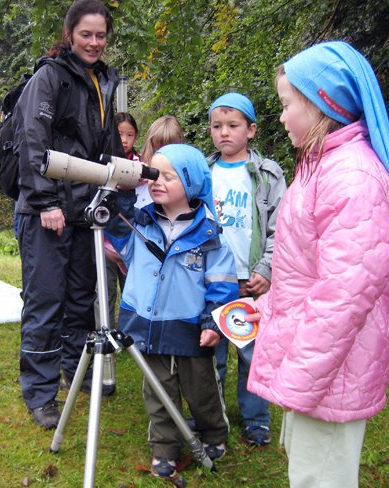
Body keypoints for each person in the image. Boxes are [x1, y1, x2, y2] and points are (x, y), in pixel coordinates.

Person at [247, 41, 389, 487]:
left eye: (286, 105)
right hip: (318, 362)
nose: (280, 117)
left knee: (321, 478)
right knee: (309, 469)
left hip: (328, 371)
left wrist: (299, 379)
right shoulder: (321, 166)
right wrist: (268, 308)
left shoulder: (352, 178)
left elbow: (344, 297)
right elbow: (305, 268)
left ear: (322, 103)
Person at [12, 0, 125, 429]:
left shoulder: (103, 80)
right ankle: (40, 394)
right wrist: (46, 202)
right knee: (45, 302)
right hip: (49, 209)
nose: (94, 42)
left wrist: (110, 195)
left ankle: (73, 372)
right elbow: (32, 140)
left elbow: (106, 144)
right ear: (70, 34)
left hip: (85, 209)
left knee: (82, 301)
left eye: (100, 35)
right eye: (86, 34)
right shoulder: (51, 77)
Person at [105, 144, 238, 480]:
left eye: (167, 176)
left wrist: (213, 320)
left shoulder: (209, 233)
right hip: (148, 325)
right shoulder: (141, 221)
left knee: (201, 388)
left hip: (192, 327)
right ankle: (165, 446)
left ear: (191, 183)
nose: (156, 182)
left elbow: (222, 282)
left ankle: (213, 434)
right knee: (157, 389)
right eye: (153, 174)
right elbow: (111, 222)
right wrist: (122, 184)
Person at [207, 92, 286, 446]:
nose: (224, 133)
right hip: (213, 280)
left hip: (250, 281)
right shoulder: (203, 172)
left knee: (253, 353)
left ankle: (256, 418)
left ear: (251, 130)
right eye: (217, 126)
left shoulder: (267, 174)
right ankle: (210, 414)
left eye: (233, 126)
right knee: (213, 350)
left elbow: (280, 228)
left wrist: (267, 268)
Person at [96, 112, 141, 331]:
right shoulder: (100, 160)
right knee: (105, 289)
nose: (124, 140)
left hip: (132, 237)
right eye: (119, 134)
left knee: (131, 288)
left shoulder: (141, 162)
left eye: (129, 135)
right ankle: (105, 331)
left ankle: (129, 332)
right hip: (104, 237)